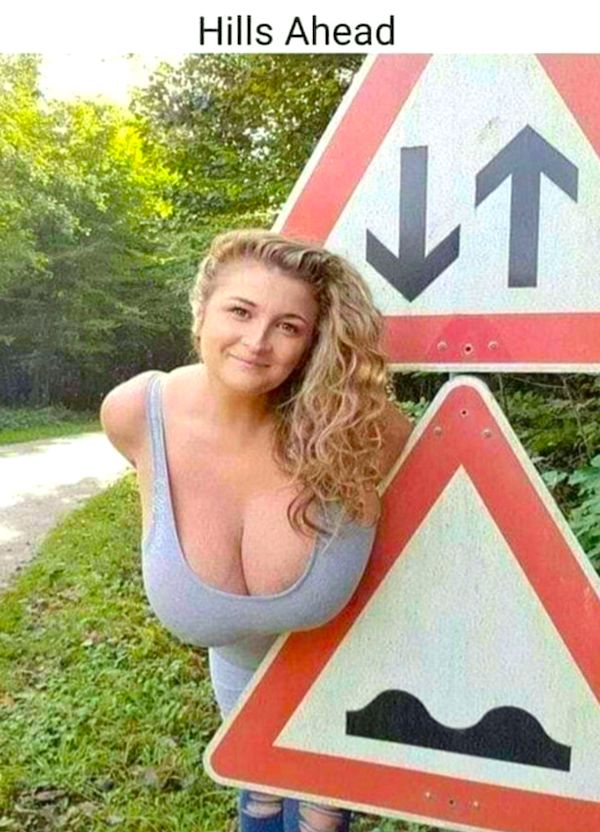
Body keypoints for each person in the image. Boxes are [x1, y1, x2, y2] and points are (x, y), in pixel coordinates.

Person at [100, 229, 412, 832]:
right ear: (201, 311)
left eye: (288, 326)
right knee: (261, 812)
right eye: (240, 312)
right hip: (240, 701)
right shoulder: (136, 414)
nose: (257, 341)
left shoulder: (358, 430)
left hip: (347, 690)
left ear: (312, 343)